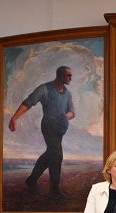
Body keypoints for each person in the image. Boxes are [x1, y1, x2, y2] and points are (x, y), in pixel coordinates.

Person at [9, 66, 75, 200]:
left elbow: (72, 112)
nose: (70, 78)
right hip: (49, 126)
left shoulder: (67, 93)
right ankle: (54, 191)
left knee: (50, 154)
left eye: (71, 76)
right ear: (60, 75)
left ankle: (32, 180)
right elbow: (29, 102)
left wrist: (65, 116)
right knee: (57, 155)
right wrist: (15, 117)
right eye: (68, 75)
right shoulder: (45, 88)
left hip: (61, 129)